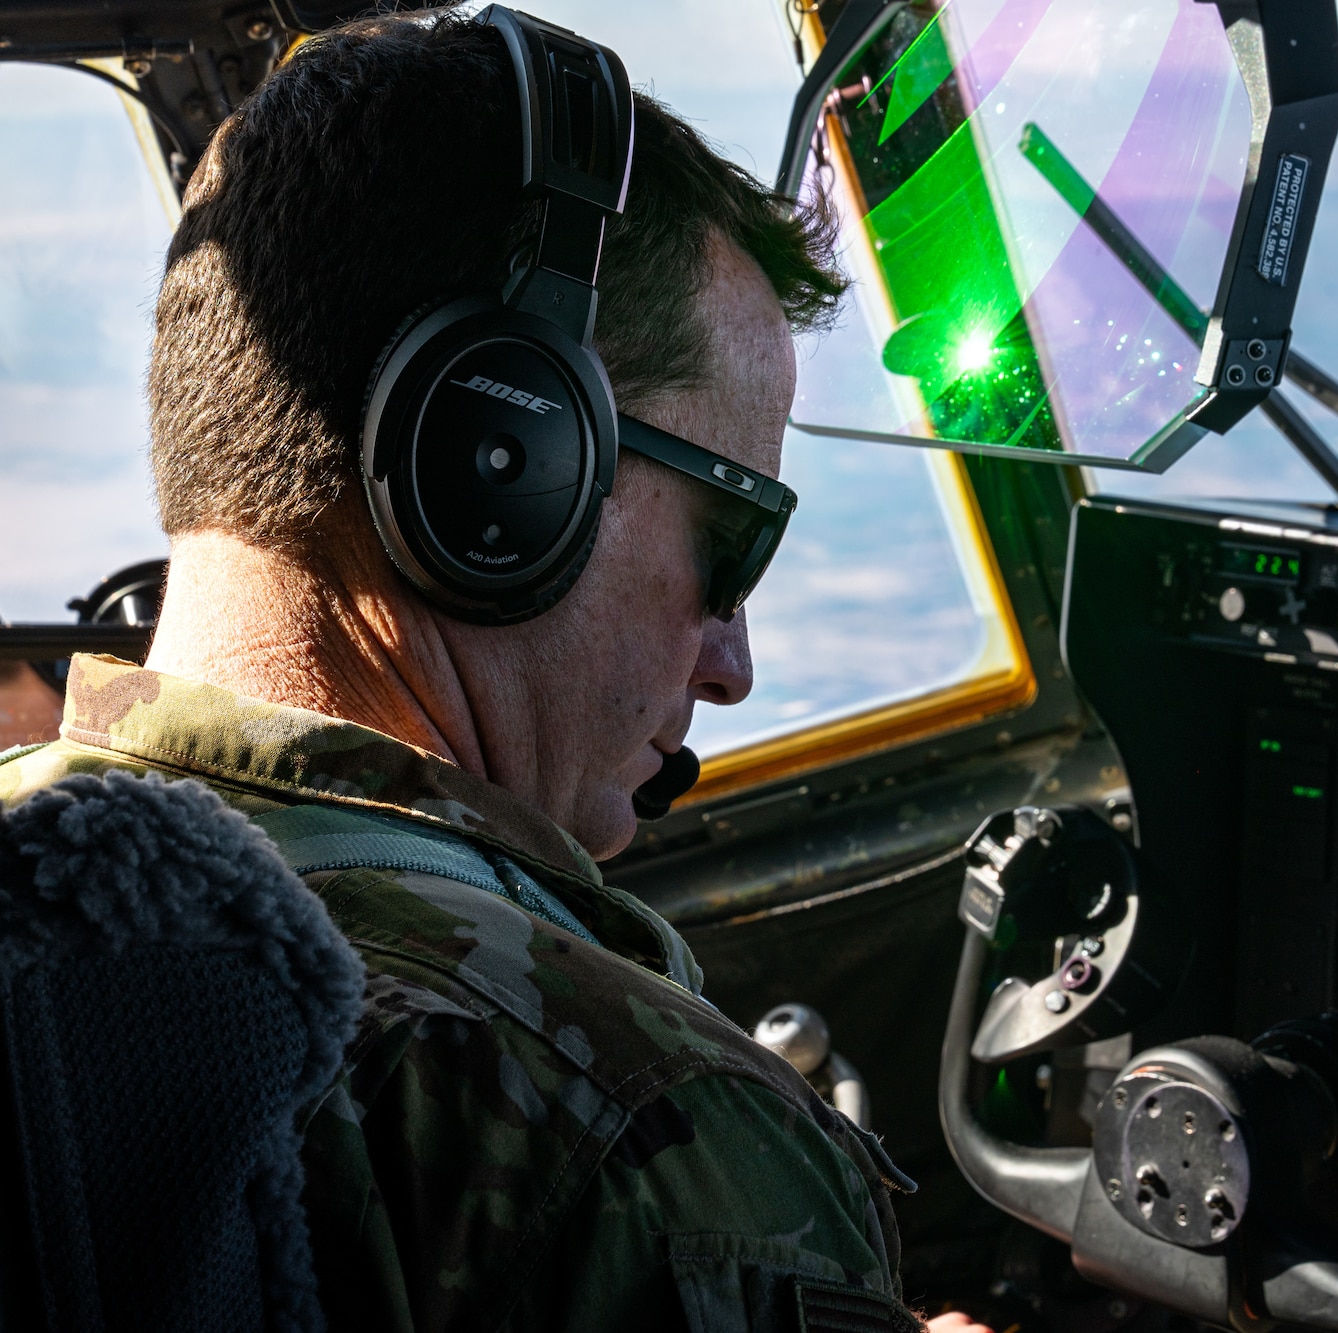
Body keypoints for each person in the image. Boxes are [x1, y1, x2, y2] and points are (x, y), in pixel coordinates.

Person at [0, 12, 983, 1332]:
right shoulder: (633, 1133)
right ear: (500, 463)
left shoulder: (39, 892)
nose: (732, 666)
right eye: (731, 543)